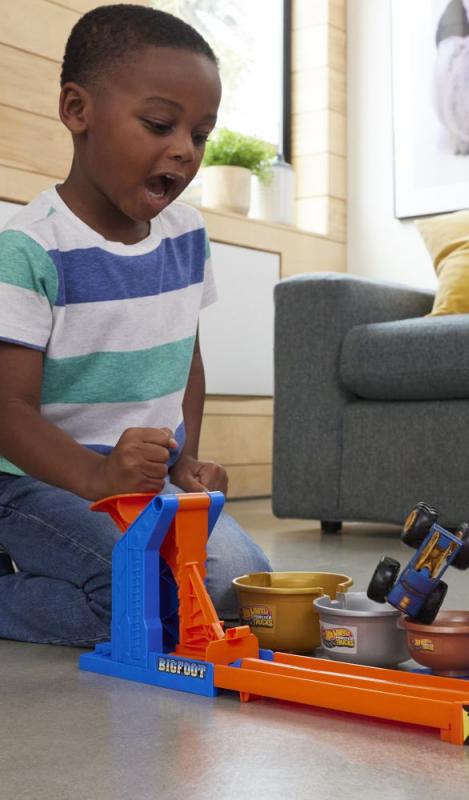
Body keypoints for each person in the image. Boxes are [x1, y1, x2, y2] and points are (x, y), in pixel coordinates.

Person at [0, 4, 271, 646]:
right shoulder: (30, 248)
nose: (183, 150)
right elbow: (7, 409)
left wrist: (186, 463)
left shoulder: (187, 235)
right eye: (158, 125)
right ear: (78, 110)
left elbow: (187, 362)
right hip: (38, 484)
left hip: (143, 488)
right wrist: (97, 479)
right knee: (142, 601)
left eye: (200, 135)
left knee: (239, 589)